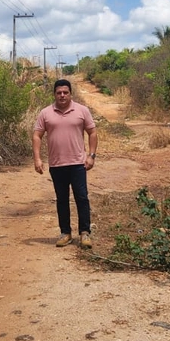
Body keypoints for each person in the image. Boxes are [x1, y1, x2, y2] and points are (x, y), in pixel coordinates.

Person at [32, 79, 98, 249]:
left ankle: (85, 233)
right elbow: (37, 135)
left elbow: (92, 132)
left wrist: (91, 156)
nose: (62, 95)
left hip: (78, 164)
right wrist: (37, 158)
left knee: (81, 198)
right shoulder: (45, 113)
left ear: (70, 93)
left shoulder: (82, 111)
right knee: (62, 199)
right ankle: (65, 233)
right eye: (59, 92)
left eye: (65, 92)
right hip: (57, 165)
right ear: (54, 94)